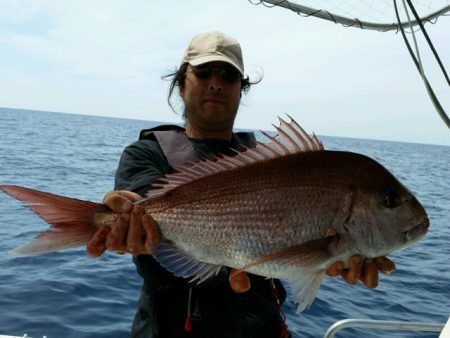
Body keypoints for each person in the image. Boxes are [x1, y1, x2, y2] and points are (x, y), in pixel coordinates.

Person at [86, 31, 396, 338]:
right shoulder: (147, 154)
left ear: (241, 90)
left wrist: (334, 257)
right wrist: (123, 217)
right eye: (204, 72)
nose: (216, 83)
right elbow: (140, 210)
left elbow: (306, 252)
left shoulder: (269, 165)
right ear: (181, 85)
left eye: (229, 76)